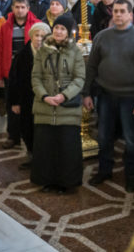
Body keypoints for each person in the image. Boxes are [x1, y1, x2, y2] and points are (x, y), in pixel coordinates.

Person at [83, 0, 134, 192]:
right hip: (106, 95)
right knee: (104, 136)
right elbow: (92, 66)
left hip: (130, 98)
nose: (119, 14)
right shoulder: (102, 37)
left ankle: (132, 175)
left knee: (131, 140)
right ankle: (105, 170)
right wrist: (87, 92)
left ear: (130, 15)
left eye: (123, 11)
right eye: (115, 11)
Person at [31, 15, 86, 194]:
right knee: (46, 147)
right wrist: (44, 96)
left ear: (69, 32)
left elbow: (79, 79)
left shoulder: (75, 51)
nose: (58, 31)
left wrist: (64, 95)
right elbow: (35, 77)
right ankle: (47, 180)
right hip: (45, 106)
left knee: (67, 147)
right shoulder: (42, 51)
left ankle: (66, 182)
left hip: (66, 107)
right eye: (56, 28)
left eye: (62, 29)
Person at [0, 0, 41, 139]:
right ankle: (13, 136)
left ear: (28, 8)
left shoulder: (36, 25)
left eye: (23, 7)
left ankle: (32, 136)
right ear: (12, 8)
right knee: (12, 105)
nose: (20, 10)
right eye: (17, 7)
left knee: (30, 105)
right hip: (11, 72)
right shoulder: (5, 26)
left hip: (31, 72)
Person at [8, 22, 50, 170]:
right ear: (31, 36)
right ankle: (32, 155)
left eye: (43, 36)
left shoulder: (51, 53)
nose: (39, 39)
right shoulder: (22, 55)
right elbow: (13, 80)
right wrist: (15, 102)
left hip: (45, 100)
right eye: (36, 35)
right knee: (27, 128)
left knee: (43, 130)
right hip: (26, 99)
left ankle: (44, 157)